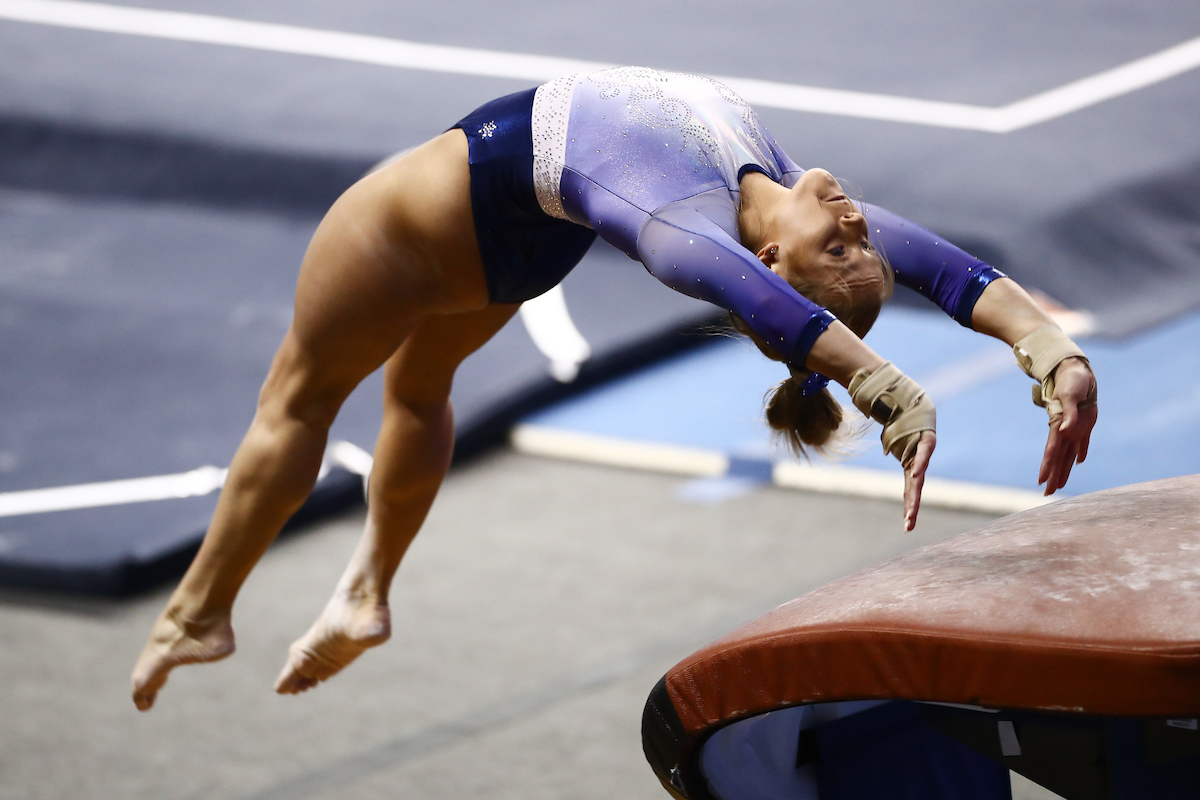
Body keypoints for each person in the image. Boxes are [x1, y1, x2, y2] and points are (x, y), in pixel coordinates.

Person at [130, 67, 1097, 710]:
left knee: (296, 399)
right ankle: (365, 594)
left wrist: (884, 390)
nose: (855, 227)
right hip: (505, 244)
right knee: (417, 393)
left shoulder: (685, 229)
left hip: (413, 233)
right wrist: (1055, 354)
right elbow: (955, 274)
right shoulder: (782, 188)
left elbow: (758, 300)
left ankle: (197, 615)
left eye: (839, 251)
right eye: (859, 244)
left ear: (769, 260)